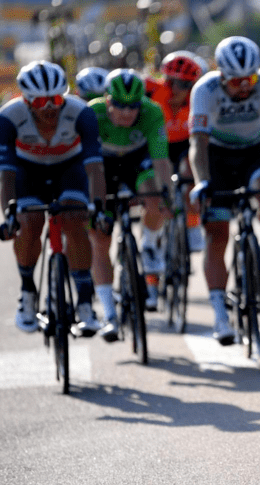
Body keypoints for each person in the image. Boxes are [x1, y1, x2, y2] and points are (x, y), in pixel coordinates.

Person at [188, 36, 260, 345]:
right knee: (216, 234)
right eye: (235, 81)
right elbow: (198, 143)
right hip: (216, 156)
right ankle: (219, 313)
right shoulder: (204, 90)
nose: (243, 87)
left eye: (249, 79)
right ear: (220, 75)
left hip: (255, 151)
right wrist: (202, 180)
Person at [0, 61, 104, 336]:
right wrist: (9, 215)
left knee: (76, 219)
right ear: (26, 100)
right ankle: (27, 292)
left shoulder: (81, 112)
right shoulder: (8, 117)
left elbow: (95, 167)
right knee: (29, 222)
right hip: (27, 172)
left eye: (56, 99)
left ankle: (85, 303)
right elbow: (6, 175)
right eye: (40, 101)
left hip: (69, 169)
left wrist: (98, 207)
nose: (49, 107)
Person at [89, 69, 172, 340]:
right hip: (103, 166)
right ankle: (109, 313)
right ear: (107, 100)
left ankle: (149, 244)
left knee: (154, 196)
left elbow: (161, 161)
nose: (127, 112)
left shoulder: (152, 111)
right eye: (120, 105)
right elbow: (87, 167)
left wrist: (168, 197)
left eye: (133, 106)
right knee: (100, 236)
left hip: (137, 162)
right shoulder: (92, 113)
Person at [145, 50, 206, 256]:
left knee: (191, 174)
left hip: (184, 143)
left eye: (188, 85)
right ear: (167, 81)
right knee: (156, 186)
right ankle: (155, 233)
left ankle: (193, 225)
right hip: (157, 143)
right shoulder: (152, 90)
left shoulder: (196, 97)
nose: (181, 90)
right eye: (176, 83)